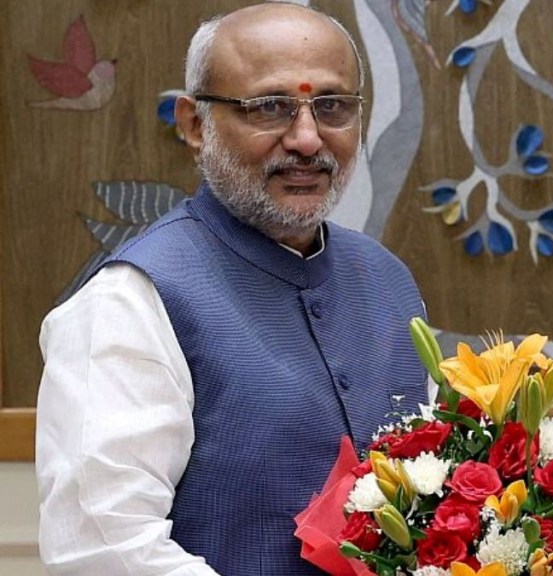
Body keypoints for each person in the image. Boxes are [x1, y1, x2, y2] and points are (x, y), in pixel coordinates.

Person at [35, 3, 429, 575]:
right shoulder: (128, 303)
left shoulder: (389, 280)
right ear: (195, 124)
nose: (307, 138)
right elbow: (102, 546)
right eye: (270, 107)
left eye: (333, 107)